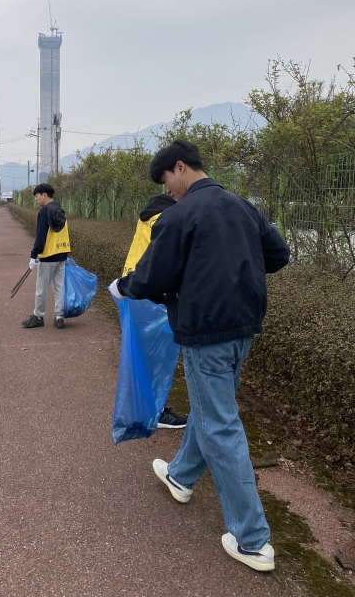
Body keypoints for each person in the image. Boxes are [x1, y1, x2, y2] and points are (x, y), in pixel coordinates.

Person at [109, 140, 290, 572]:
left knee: (220, 425)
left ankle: (251, 540)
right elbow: (279, 254)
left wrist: (124, 286)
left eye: (165, 180)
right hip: (243, 327)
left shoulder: (180, 215)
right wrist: (234, 269)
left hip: (204, 332)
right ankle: (181, 475)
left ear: (180, 167)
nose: (167, 190)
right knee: (212, 411)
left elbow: (153, 277)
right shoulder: (242, 205)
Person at [122, 192, 188, 430]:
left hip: (133, 287)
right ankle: (155, 413)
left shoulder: (149, 214)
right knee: (157, 357)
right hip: (151, 293)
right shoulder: (169, 216)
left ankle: (143, 408)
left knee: (143, 355)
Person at [21, 183, 71, 330]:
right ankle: (60, 317)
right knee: (59, 287)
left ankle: (38, 316)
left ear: (44, 195)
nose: (35, 199)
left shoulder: (44, 212)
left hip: (48, 256)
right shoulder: (60, 210)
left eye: (36, 196)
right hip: (62, 254)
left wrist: (33, 255)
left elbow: (41, 236)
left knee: (42, 289)